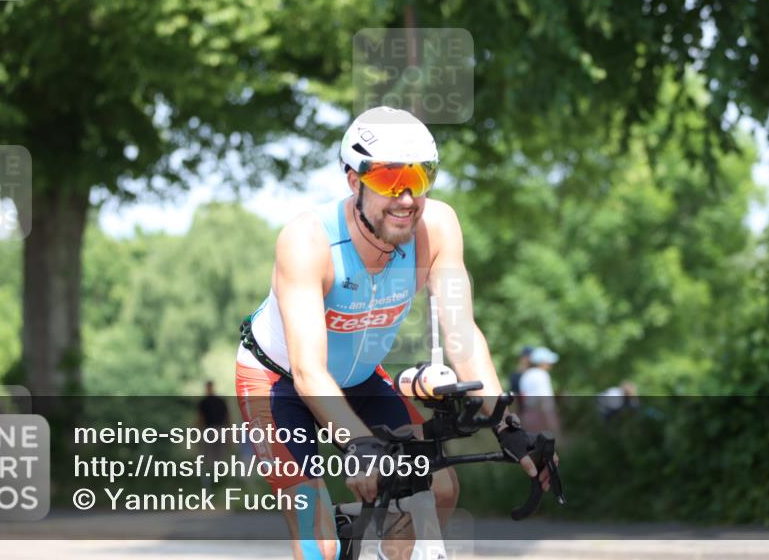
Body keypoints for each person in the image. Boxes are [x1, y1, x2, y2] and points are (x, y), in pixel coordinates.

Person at [235, 107, 556, 560]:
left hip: (360, 377)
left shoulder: (438, 228)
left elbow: (461, 333)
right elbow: (308, 373)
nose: (406, 198)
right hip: (277, 382)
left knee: (439, 487)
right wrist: (358, 446)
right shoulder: (308, 241)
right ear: (354, 181)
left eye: (419, 178)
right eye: (388, 180)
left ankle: (373, 541)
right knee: (319, 541)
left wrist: (507, 425)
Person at [518, 347, 561, 436]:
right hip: (541, 417)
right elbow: (544, 400)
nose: (550, 364)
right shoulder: (542, 375)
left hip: (527, 416)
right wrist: (552, 423)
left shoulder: (526, 375)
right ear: (542, 362)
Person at [197, 380, 230, 485]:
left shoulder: (204, 402)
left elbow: (201, 419)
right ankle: (220, 480)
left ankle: (212, 481)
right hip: (220, 430)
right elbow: (228, 418)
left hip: (211, 430)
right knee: (220, 456)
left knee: (210, 457)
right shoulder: (220, 401)